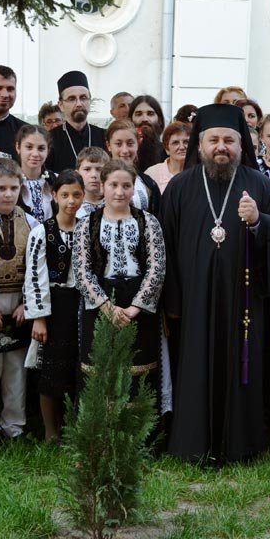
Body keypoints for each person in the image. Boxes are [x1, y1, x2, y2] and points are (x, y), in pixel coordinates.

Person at [162, 103, 270, 464]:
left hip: (243, 300)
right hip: (194, 302)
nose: (222, 147)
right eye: (214, 140)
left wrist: (258, 221)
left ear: (241, 143)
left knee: (241, 367)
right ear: (199, 145)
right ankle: (193, 445)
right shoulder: (180, 187)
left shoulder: (258, 183)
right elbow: (166, 245)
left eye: (230, 140)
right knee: (195, 367)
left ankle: (240, 445)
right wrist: (172, 303)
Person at [74, 159, 167, 406]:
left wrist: (134, 308)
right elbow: (82, 272)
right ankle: (101, 433)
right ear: (103, 186)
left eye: (126, 185)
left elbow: (156, 268)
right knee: (100, 369)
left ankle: (135, 432)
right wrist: (107, 308)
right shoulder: (86, 224)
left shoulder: (149, 222)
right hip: (101, 305)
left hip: (138, 305)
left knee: (138, 370)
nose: (119, 191)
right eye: (113, 184)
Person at [0, 159, 40, 446]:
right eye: (1, 188)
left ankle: (14, 426)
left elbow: (38, 268)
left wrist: (28, 303)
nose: (8, 194)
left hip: (19, 303)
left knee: (16, 371)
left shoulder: (31, 222)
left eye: (14, 188)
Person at [26, 170, 85, 442]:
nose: (71, 201)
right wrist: (39, 317)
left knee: (78, 367)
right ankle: (51, 431)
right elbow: (34, 276)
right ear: (54, 196)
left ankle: (75, 427)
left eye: (76, 195)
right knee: (51, 369)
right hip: (54, 306)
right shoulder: (42, 232)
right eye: (65, 195)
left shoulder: (88, 228)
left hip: (82, 305)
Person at [47, 70, 107, 172]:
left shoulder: (103, 136)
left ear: (89, 101)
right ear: (61, 105)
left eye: (83, 98)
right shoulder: (50, 139)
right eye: (72, 99)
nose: (79, 103)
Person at [104, 119, 162, 214]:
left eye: (130, 144)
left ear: (137, 144)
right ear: (109, 145)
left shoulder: (148, 184)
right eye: (118, 144)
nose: (125, 150)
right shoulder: (98, 181)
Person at [15, 125, 54, 224]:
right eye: (29, 147)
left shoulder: (56, 180)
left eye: (41, 148)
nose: (35, 153)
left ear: (48, 150)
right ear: (18, 147)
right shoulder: (10, 182)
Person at [145, 121, 190, 193]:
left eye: (186, 142)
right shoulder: (152, 174)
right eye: (175, 143)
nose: (182, 147)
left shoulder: (198, 174)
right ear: (167, 149)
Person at [129, 95, 166, 170]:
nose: (145, 119)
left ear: (160, 120)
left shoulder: (168, 153)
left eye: (150, 114)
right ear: (130, 120)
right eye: (139, 114)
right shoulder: (124, 153)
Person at [75, 146, 109, 219]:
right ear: (77, 174)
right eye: (87, 169)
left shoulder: (114, 203)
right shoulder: (73, 206)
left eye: (99, 169)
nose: (94, 175)